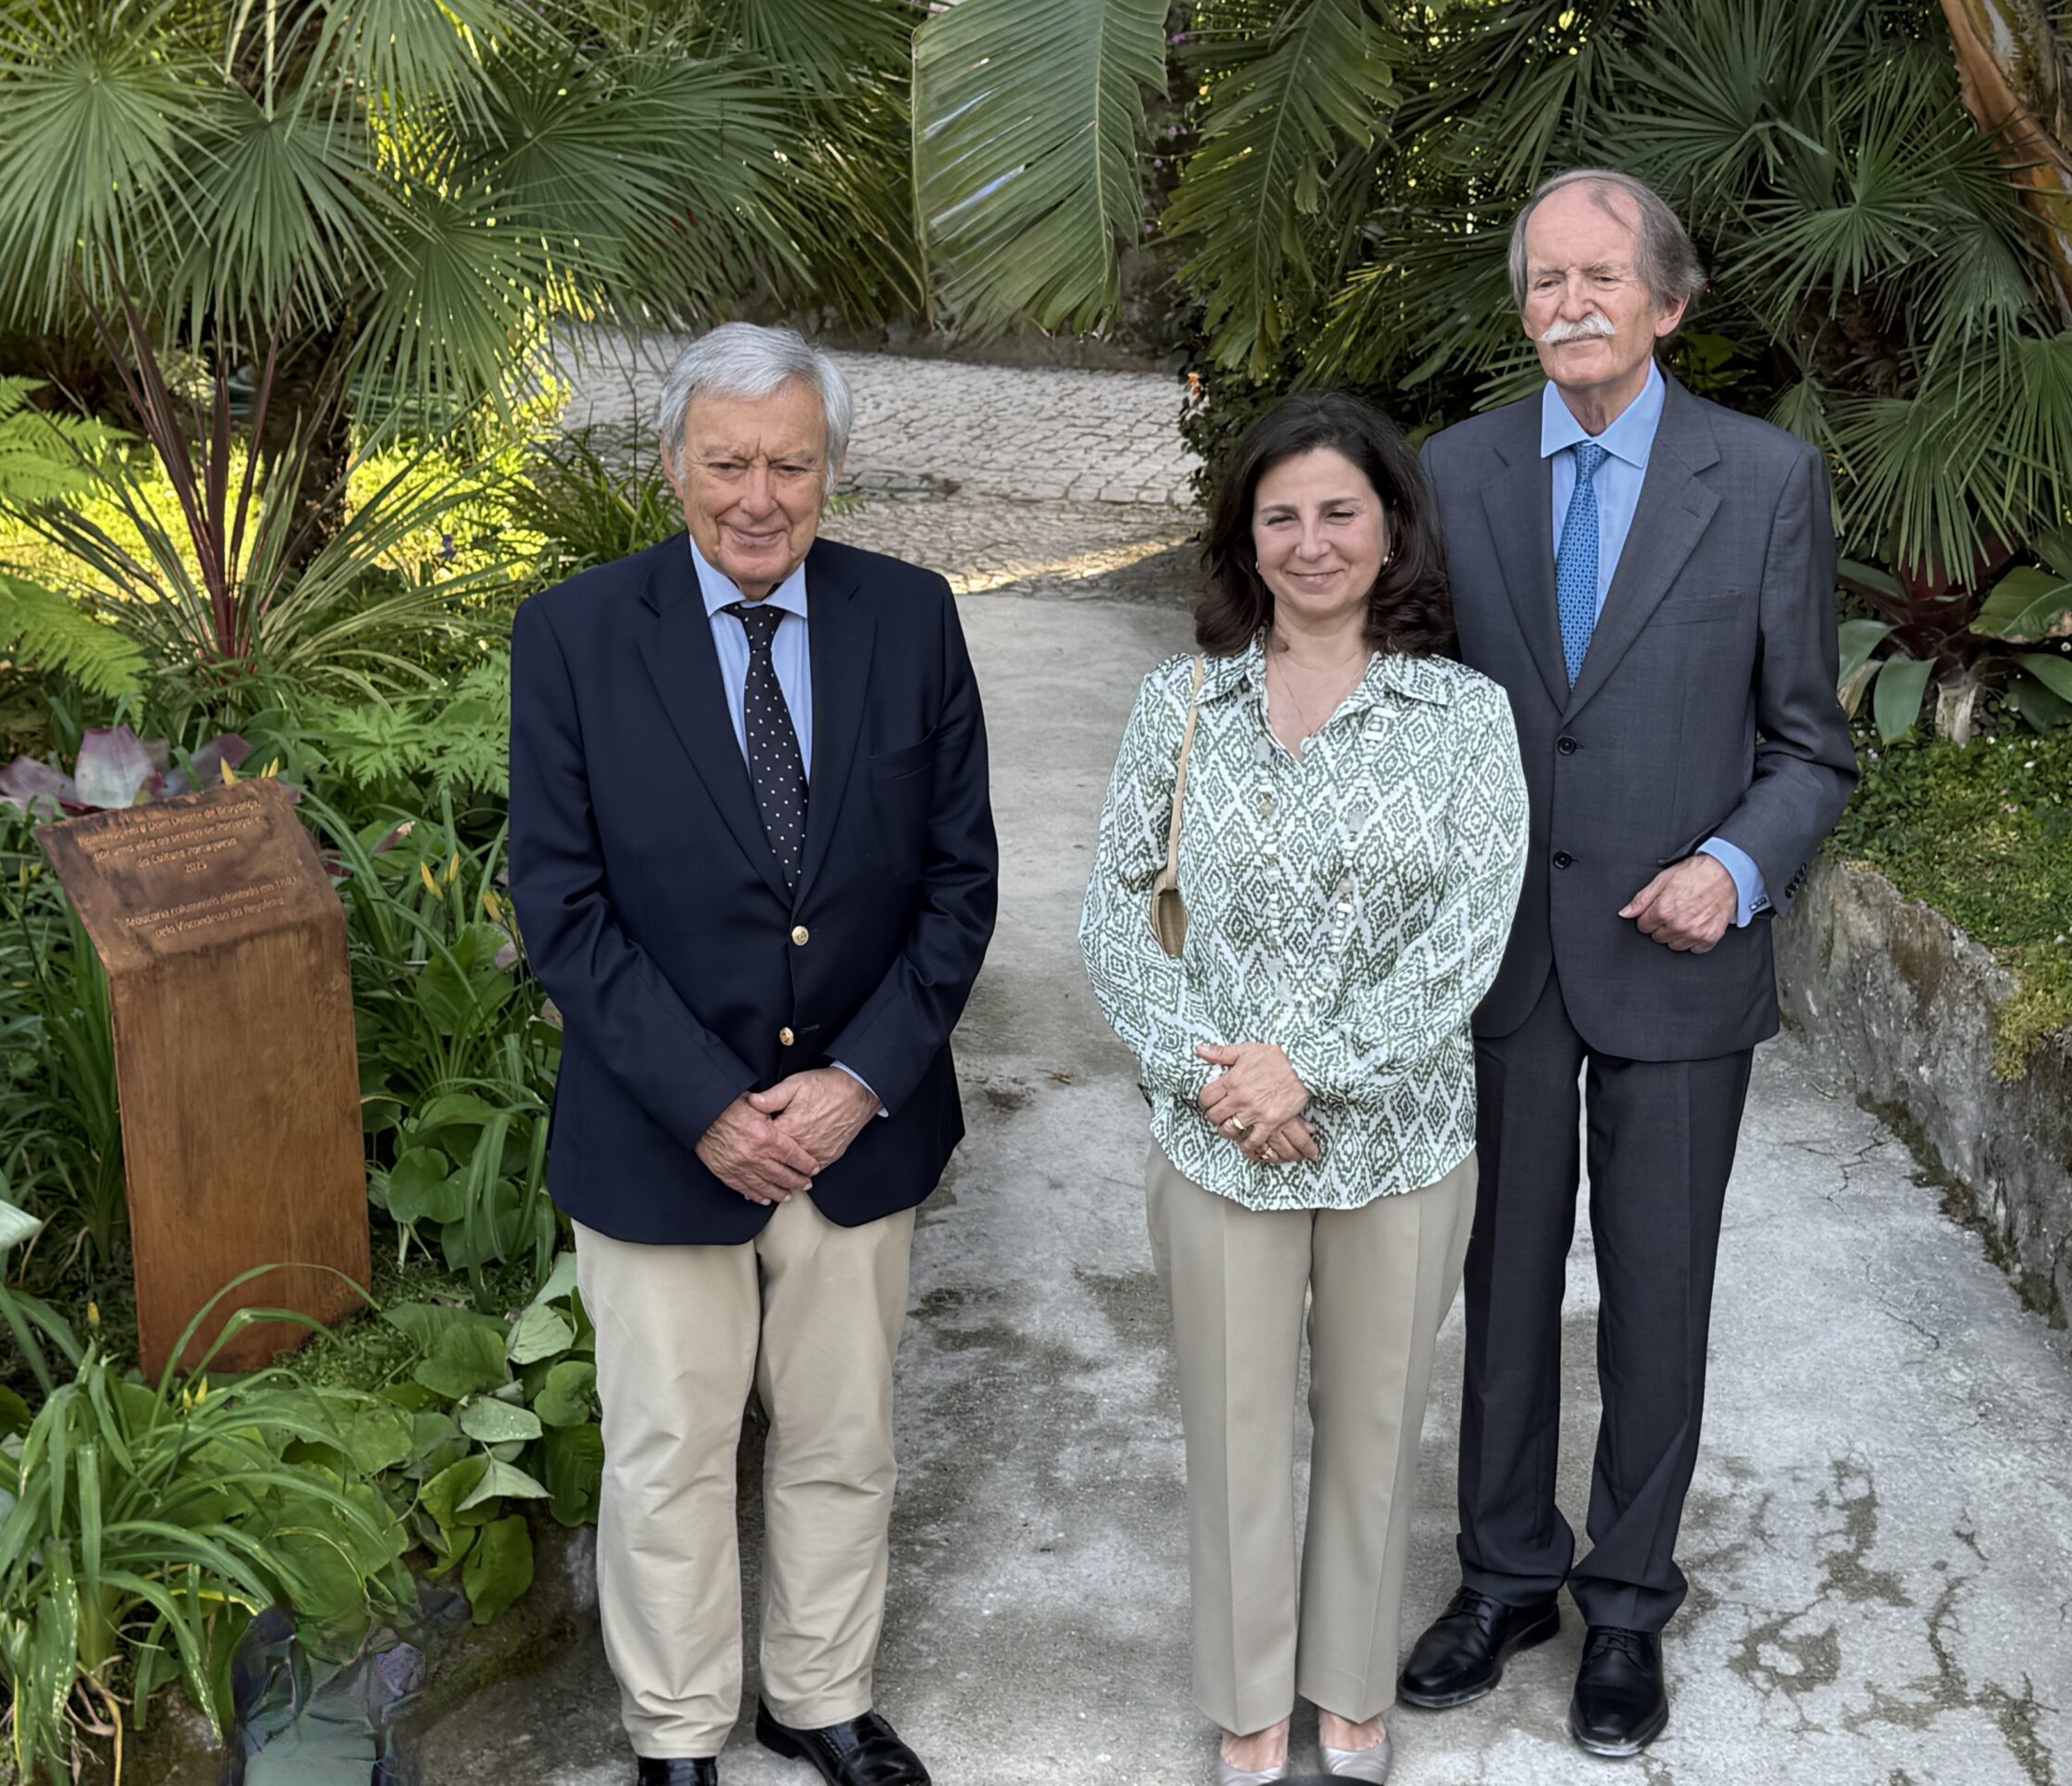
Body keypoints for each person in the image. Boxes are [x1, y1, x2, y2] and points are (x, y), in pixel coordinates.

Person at [1399, 169, 1857, 1757]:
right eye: (1544, 282)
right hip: (1504, 962)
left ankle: (1630, 1601)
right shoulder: (1451, 475)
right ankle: (1504, 1574)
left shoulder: (1769, 480)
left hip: (1678, 969)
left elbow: (1813, 748)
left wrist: (1734, 871)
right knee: (1504, 1281)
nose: (1569, 304)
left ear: (1669, 301)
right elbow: (1407, 717)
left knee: (1660, 1292)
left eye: (1602, 278)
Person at [509, 323, 998, 1786]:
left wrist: (857, 1082)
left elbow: (959, 887)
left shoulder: (911, 618)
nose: (759, 496)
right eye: (727, 462)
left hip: (861, 1130)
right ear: (672, 465)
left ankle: (820, 1696)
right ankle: (676, 1733)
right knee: (666, 1454)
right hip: (660, 1136)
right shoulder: (578, 635)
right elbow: (562, 903)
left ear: (833, 471)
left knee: (844, 1437)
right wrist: (713, 1104)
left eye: (792, 462)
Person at [1082, 393, 1528, 1784]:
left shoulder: (1462, 715)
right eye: (1282, 515)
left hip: (1397, 1140)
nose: (1312, 540)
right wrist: (1217, 1080)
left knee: (1377, 1424)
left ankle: (1349, 1686)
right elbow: (1109, 910)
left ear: (1391, 528)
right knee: (1232, 1430)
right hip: (1219, 1141)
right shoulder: (1182, 702)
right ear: (1245, 537)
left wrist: (1309, 1068)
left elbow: (1473, 930)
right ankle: (1247, 1696)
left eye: (1341, 511)